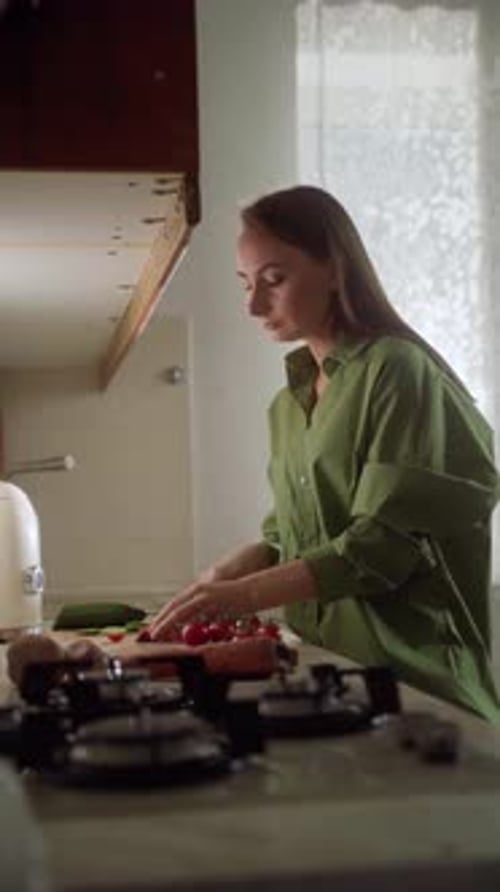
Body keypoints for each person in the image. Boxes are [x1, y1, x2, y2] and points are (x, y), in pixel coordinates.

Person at [149, 185, 500, 722]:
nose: (252, 305)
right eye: (245, 283)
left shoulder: (396, 370)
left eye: (274, 279)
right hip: (336, 682)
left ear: (335, 269)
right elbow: (293, 536)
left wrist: (240, 597)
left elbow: (379, 546)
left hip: (421, 690)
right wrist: (220, 577)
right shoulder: (287, 407)